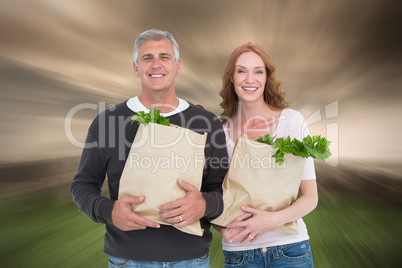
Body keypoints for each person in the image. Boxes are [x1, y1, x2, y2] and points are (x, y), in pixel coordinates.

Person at [70, 29, 228, 267]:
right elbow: (82, 185)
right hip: (128, 260)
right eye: (147, 58)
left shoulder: (206, 123)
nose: (156, 64)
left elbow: (221, 188)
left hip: (191, 261)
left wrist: (205, 204)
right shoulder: (108, 122)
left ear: (177, 65)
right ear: (136, 68)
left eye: (164, 57)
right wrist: (109, 211)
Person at [214, 42, 318, 267]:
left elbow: (311, 197)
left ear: (267, 77)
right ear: (231, 78)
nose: (250, 79)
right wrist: (221, 228)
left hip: (291, 251)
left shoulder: (291, 121)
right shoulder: (219, 133)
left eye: (258, 71)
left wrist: (271, 220)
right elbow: (210, 194)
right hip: (239, 254)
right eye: (241, 71)